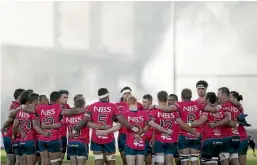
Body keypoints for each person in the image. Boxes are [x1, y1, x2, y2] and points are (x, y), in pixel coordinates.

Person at [73, 88, 144, 165]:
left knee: (98, 160)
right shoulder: (112, 106)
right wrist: (134, 128)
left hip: (96, 136)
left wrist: (75, 130)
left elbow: (84, 120)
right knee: (110, 161)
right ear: (107, 96)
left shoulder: (92, 106)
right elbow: (123, 121)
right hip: (109, 137)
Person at [148, 91, 200, 165]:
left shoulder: (154, 110)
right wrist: (193, 132)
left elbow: (151, 123)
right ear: (167, 99)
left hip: (159, 140)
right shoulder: (174, 112)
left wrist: (164, 131)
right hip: (171, 141)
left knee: (159, 163)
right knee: (169, 163)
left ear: (158, 99)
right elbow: (182, 124)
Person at [190, 92, 231, 165]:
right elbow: (228, 118)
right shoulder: (220, 109)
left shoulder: (207, 110)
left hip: (208, 139)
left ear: (208, 99)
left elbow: (200, 122)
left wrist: (188, 124)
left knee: (206, 162)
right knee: (214, 162)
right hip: (219, 139)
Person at [13, 92, 50, 165]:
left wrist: (17, 134)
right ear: (34, 101)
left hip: (22, 141)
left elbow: (15, 126)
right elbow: (36, 126)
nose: (39, 102)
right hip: (31, 141)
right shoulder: (32, 113)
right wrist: (44, 133)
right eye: (38, 100)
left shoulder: (20, 112)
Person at [210, 87, 241, 165]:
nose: (218, 96)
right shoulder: (235, 106)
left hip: (226, 136)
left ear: (223, 94)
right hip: (236, 136)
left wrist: (216, 124)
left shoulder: (224, 105)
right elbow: (237, 121)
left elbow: (227, 120)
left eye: (219, 94)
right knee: (235, 159)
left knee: (224, 160)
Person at [115, 86, 144, 165]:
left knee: (137, 160)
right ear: (122, 95)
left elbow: (144, 117)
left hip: (135, 135)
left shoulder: (139, 105)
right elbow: (114, 119)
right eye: (125, 93)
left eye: (129, 93)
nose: (127, 94)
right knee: (125, 160)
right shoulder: (117, 105)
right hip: (123, 135)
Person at [2, 88, 25, 165]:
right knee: (12, 160)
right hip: (10, 135)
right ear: (19, 97)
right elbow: (11, 115)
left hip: (13, 135)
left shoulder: (19, 105)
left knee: (16, 161)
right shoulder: (15, 105)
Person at [229, 91, 248, 165]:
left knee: (241, 162)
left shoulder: (239, 107)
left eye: (230, 97)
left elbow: (238, 104)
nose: (228, 99)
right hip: (233, 138)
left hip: (241, 138)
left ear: (235, 98)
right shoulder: (227, 107)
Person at [167, 94, 180, 165]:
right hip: (166, 139)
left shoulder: (179, 111)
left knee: (178, 160)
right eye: (168, 100)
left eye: (172, 100)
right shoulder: (164, 110)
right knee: (168, 161)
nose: (170, 102)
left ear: (176, 101)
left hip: (177, 139)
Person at [59, 89, 71, 163]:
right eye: (64, 97)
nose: (66, 99)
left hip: (64, 134)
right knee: (55, 158)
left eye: (67, 97)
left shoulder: (67, 106)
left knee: (62, 156)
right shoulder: (54, 106)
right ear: (59, 98)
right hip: (56, 135)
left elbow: (73, 112)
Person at [142, 94, 154, 165]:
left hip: (151, 140)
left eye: (145, 102)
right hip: (142, 140)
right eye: (143, 102)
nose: (143, 104)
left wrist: (153, 137)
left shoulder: (154, 112)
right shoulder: (140, 111)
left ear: (150, 102)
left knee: (149, 161)